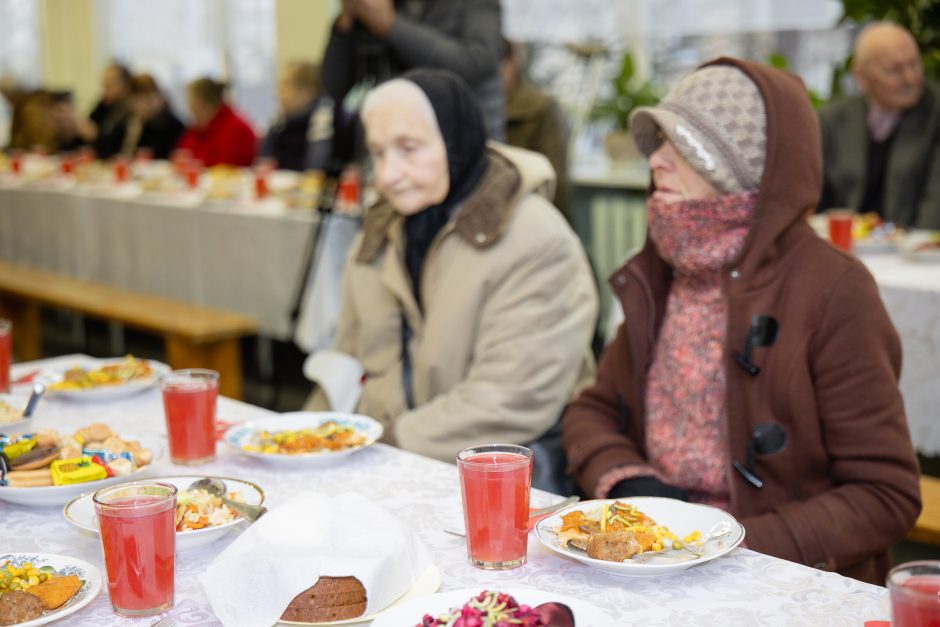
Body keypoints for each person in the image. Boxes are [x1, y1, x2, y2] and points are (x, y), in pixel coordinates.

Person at [562, 57, 921, 585]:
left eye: (679, 145)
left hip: (780, 577)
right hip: (655, 556)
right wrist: (629, 483)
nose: (655, 161)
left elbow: (884, 495)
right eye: (657, 143)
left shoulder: (834, 290)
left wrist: (733, 543)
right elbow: (591, 411)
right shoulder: (662, 269)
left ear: (739, 167)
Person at [305, 69, 597, 463]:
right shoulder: (379, 231)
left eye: (409, 148)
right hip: (393, 460)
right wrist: (306, 442)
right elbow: (347, 361)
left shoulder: (537, 241)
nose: (388, 175)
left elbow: (509, 400)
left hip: (501, 477)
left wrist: (381, 447)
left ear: (454, 141)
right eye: (378, 152)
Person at [321, 0, 505, 140]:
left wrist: (390, 26)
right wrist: (346, 24)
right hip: (388, 147)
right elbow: (333, 87)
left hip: (462, 147)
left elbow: (474, 62)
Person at [818, 21, 940, 229]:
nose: (910, 78)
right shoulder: (832, 120)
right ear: (861, 76)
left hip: (914, 251)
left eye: (913, 64)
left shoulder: (935, 113)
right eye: (894, 70)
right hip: (846, 249)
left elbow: (935, 202)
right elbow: (815, 198)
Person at [501, 37, 572, 222]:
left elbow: (554, 180)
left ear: (511, 63)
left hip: (537, 218)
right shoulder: (479, 110)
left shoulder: (542, 108)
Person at [260, 61, 333, 171]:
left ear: (308, 93)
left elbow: (315, 169)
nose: (278, 94)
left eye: (286, 86)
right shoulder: (282, 118)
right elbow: (264, 161)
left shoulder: (323, 116)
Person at [176, 77, 257, 167]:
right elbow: (183, 154)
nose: (188, 108)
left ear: (200, 103)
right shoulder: (198, 128)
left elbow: (225, 168)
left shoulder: (236, 128)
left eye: (189, 102)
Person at [121, 74, 184, 160]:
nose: (142, 105)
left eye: (148, 99)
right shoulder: (132, 121)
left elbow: (161, 156)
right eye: (137, 100)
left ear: (158, 96)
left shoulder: (172, 125)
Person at [83, 62, 133, 159]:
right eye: (104, 84)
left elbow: (117, 148)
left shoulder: (131, 110)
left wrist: (95, 136)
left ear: (125, 85)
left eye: (109, 84)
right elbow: (88, 124)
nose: (105, 89)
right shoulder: (103, 104)